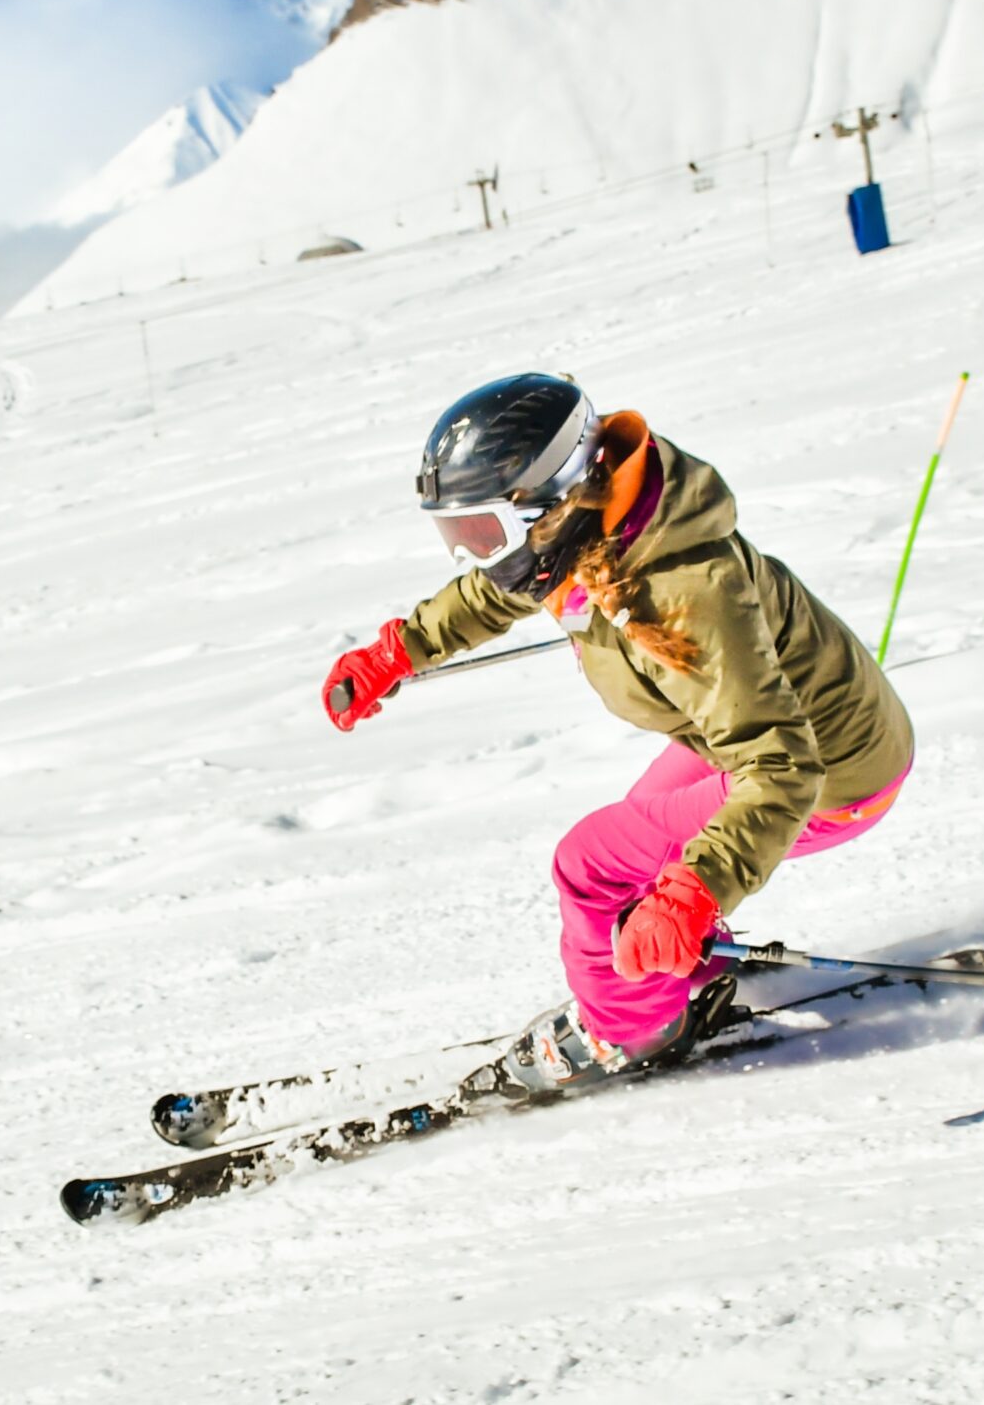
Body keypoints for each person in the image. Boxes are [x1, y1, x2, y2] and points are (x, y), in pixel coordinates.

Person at [323, 374, 914, 1093]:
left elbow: (783, 766)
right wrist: (399, 651)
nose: (471, 555)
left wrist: (694, 890)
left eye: (480, 533)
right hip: (748, 741)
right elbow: (492, 589)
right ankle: (677, 961)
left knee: (592, 862)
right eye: (458, 536)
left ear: (549, 503)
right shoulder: (587, 535)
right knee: (633, 859)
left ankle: (630, 1029)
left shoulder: (684, 590)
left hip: (825, 771)